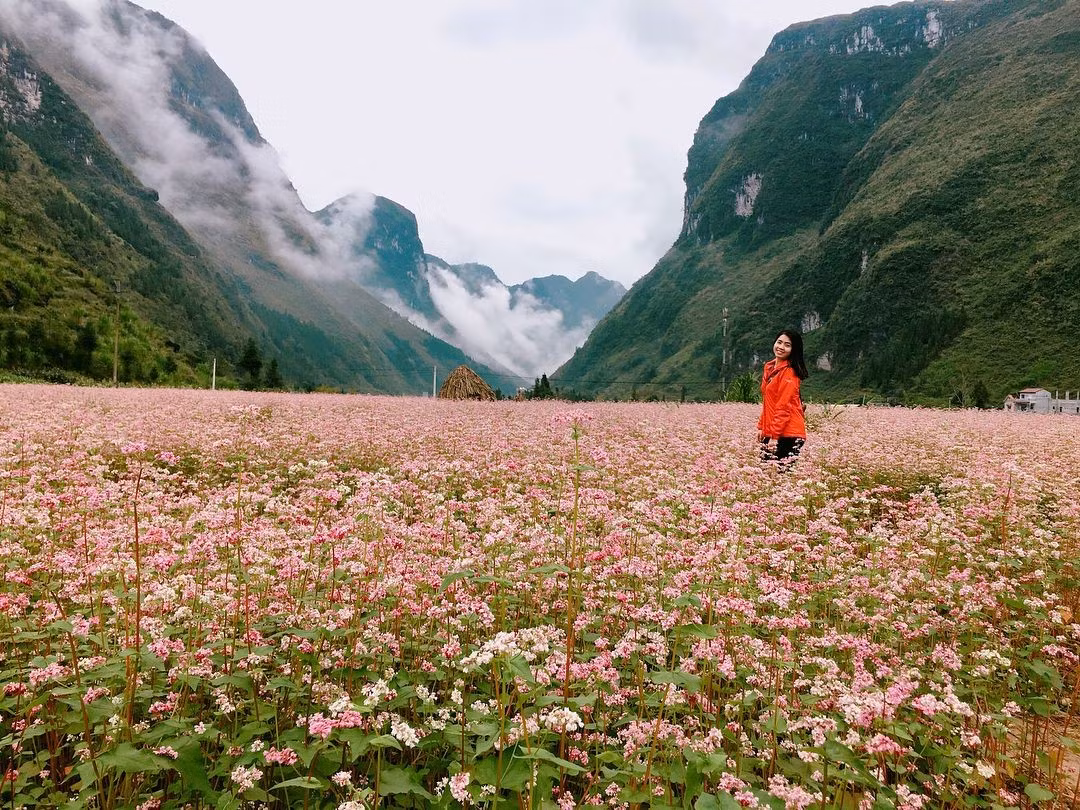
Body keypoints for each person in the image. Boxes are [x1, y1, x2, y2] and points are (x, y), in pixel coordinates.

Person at [757, 329, 808, 466]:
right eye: (779, 342)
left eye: (787, 345)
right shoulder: (770, 367)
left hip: (788, 433)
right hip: (775, 431)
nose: (781, 347)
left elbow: (783, 406)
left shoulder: (789, 372)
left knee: (778, 478)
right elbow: (769, 403)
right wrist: (762, 428)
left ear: (793, 349)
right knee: (766, 477)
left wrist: (774, 436)